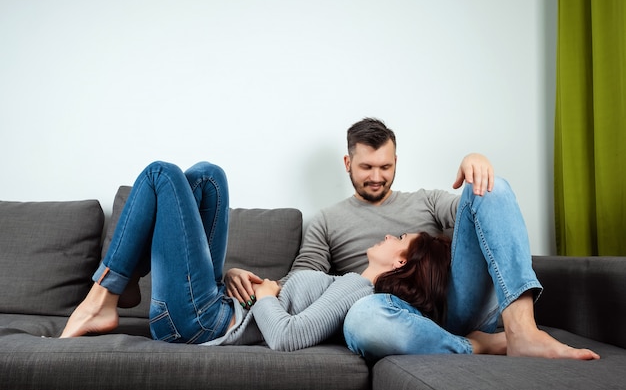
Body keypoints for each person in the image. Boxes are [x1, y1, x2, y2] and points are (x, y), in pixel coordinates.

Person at [226, 117, 600, 361]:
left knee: (492, 188)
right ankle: (473, 345)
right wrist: (241, 281)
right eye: (366, 167)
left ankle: (523, 331)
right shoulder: (327, 221)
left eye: (385, 167)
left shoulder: (426, 201)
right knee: (362, 317)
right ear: (347, 164)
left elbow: (480, 216)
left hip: (452, 299)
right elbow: (300, 285)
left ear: (396, 162)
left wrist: (475, 161)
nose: (377, 176)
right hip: (390, 312)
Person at [60, 160, 473, 352]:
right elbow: (279, 303)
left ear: (400, 262)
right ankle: (123, 279)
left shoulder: (359, 291)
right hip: (218, 305)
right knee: (209, 178)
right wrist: (239, 281)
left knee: (159, 175)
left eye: (398, 236)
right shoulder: (352, 283)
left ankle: (102, 296)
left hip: (199, 325)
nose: (388, 233)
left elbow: (287, 336)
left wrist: (267, 298)